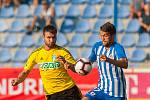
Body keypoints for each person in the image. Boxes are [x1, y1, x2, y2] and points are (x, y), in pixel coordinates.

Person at [11, 25, 82, 100]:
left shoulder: (63, 52)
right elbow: (25, 72)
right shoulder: (36, 54)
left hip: (68, 91)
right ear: (43, 37)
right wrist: (18, 81)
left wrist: (69, 65)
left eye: (53, 37)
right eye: (49, 37)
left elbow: (76, 68)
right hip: (50, 94)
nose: (51, 40)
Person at [82, 22, 128, 100]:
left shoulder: (118, 48)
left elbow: (125, 64)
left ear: (113, 36)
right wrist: (73, 66)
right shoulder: (97, 46)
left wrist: (108, 60)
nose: (102, 38)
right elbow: (89, 61)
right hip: (101, 89)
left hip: (116, 93)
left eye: (105, 36)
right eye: (101, 35)